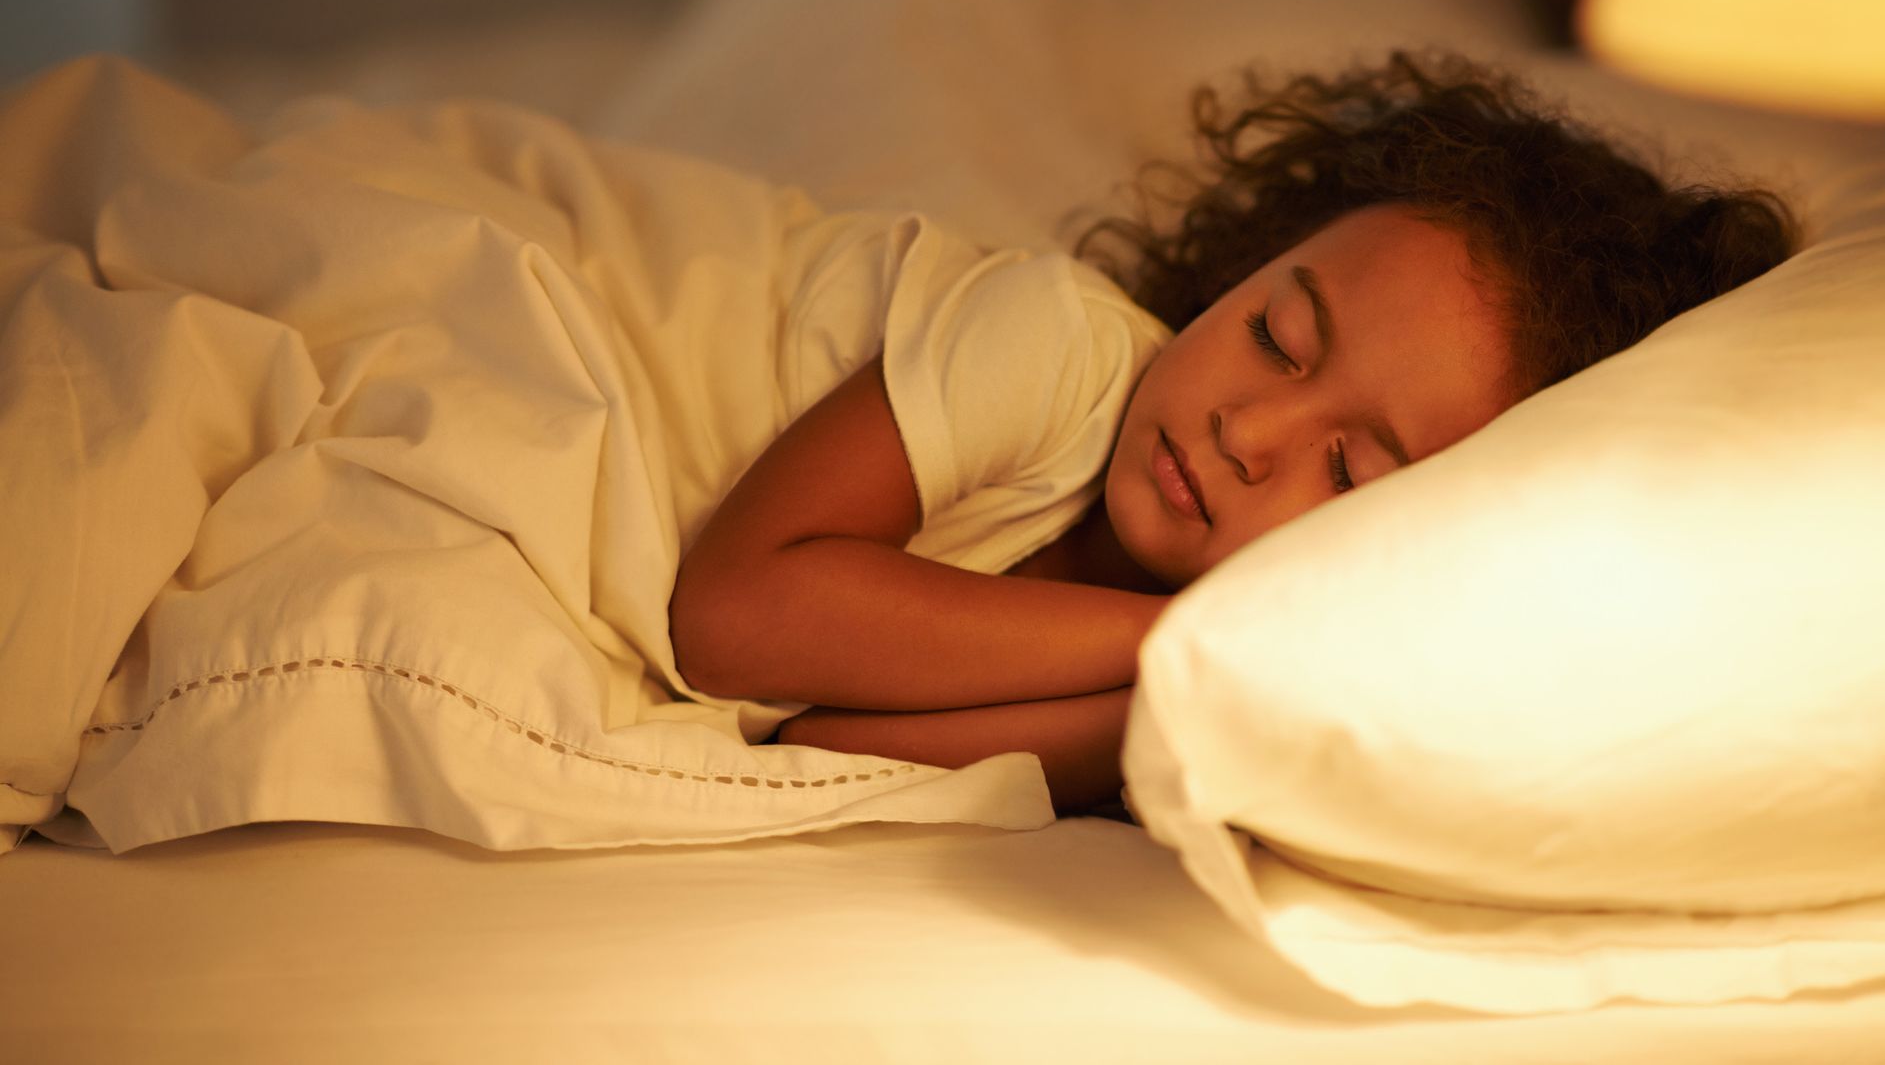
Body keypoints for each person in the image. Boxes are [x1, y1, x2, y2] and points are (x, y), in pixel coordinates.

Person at [667, 50, 1797, 814]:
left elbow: (816, 752)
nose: (1250, 429)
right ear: (1242, 268)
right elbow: (733, 620)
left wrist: (1174, 695)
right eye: (1275, 333)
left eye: (1349, 467)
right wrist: (1173, 637)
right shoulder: (1058, 346)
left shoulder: (1200, 665)